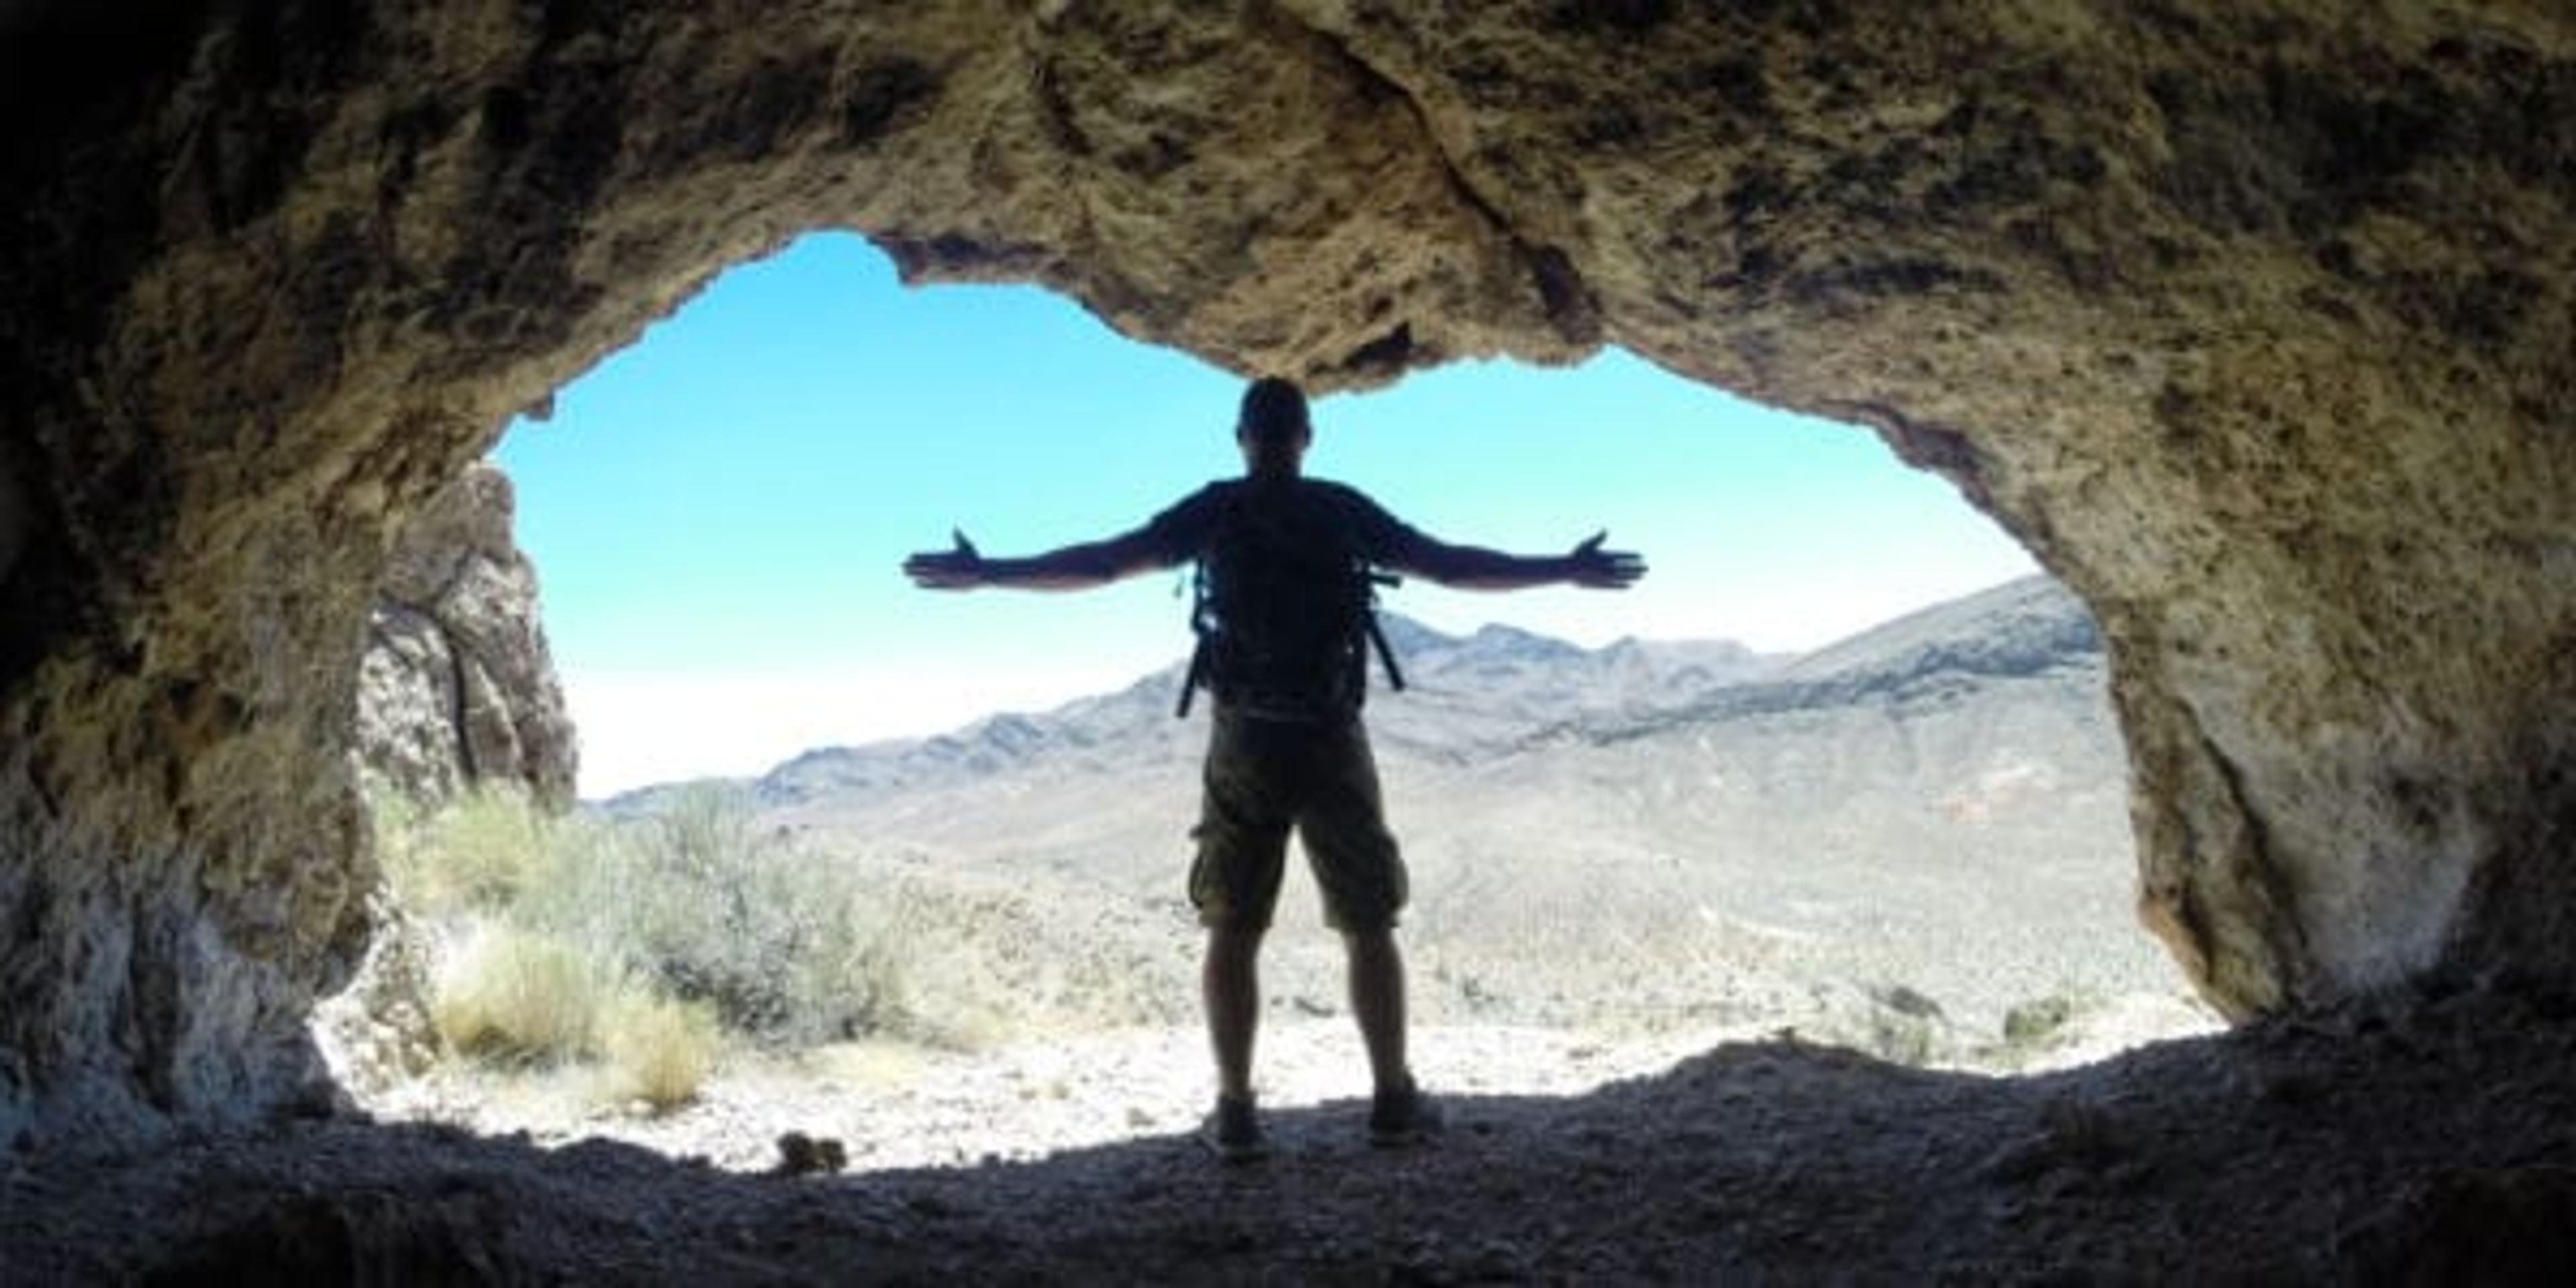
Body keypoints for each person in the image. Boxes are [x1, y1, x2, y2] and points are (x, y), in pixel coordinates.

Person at [904, 376, 1644, 1161]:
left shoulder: (1215, 509)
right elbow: (1450, 566)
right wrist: (1563, 568)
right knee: (1368, 923)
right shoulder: (1339, 508)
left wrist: (991, 573)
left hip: (1245, 739)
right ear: (1307, 437)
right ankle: (1393, 1101)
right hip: (1332, 737)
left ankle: (1236, 1114)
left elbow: (1103, 562)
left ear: (1241, 437)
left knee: (1233, 926)